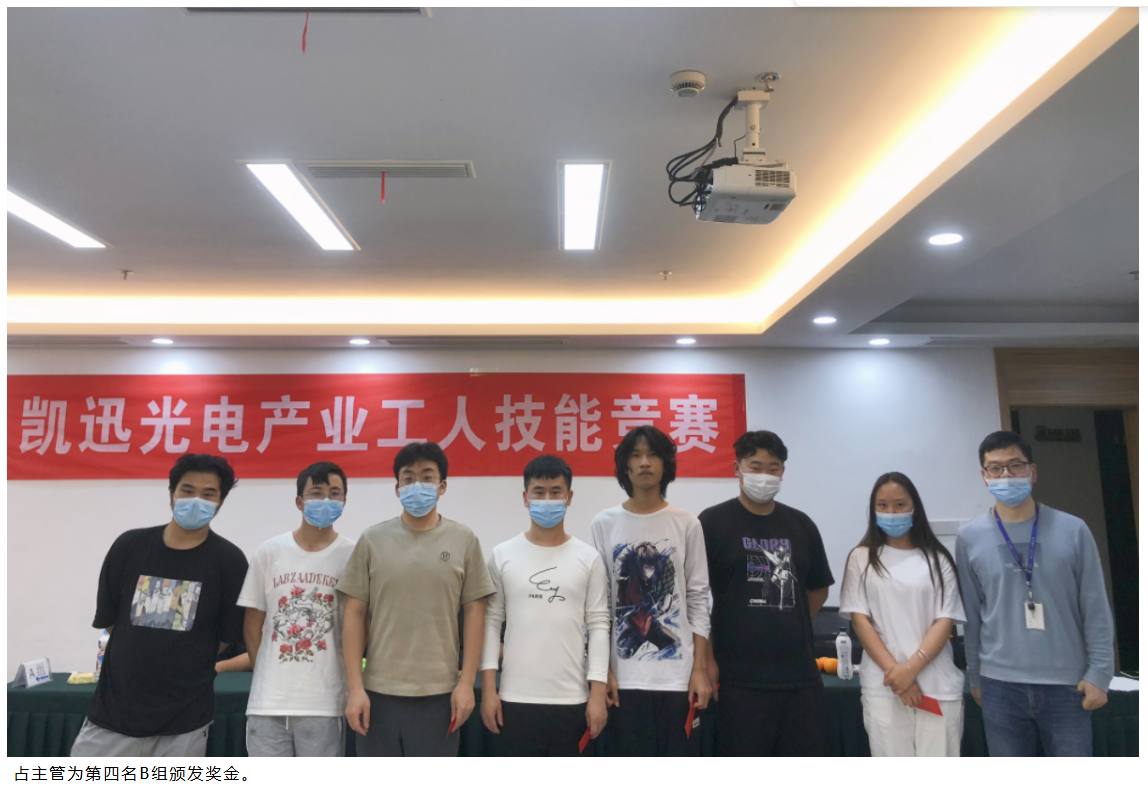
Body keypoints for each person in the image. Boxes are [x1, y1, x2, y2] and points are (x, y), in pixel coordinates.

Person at [71, 454, 248, 757]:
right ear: (171, 494)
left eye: (208, 494)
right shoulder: (129, 546)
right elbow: (112, 620)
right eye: (187, 490)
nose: (197, 500)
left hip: (185, 718)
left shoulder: (230, 561)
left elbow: (224, 637)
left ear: (220, 503)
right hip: (115, 712)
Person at [956, 430, 1114, 757]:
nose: (1006, 475)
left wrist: (1100, 673)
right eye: (996, 468)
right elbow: (971, 615)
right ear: (984, 477)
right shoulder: (969, 537)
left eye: (1016, 465)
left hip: (1067, 684)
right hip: (999, 685)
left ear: (1033, 471)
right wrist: (975, 677)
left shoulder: (1073, 530)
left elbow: (1095, 606)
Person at [338, 442, 495, 756]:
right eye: (408, 478)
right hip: (378, 694)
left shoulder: (464, 539)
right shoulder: (372, 540)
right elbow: (354, 614)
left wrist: (467, 683)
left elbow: (475, 613)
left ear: (442, 486)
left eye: (427, 477)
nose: (417, 485)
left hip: (440, 695)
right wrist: (355, 688)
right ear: (397, 488)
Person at [698, 430, 834, 756]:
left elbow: (819, 588)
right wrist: (705, 661)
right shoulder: (711, 523)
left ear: (782, 472)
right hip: (737, 679)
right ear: (737, 469)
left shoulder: (801, 524)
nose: (764, 476)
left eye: (773, 468)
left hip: (799, 676)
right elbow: (696, 597)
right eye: (755, 467)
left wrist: (786, 618)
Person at [590, 425, 711, 756]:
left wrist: (699, 671)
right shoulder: (604, 523)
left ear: (666, 464)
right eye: (636, 455)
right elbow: (598, 606)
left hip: (678, 681)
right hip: (623, 681)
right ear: (625, 466)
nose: (645, 462)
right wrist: (602, 673)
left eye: (653, 454)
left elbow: (699, 599)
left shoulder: (687, 523)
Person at [480, 455, 611, 756]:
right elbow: (491, 623)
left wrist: (597, 692)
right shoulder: (502, 555)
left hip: (572, 700)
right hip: (514, 698)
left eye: (555, 492)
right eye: (539, 492)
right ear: (525, 498)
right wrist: (488, 690)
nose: (547, 500)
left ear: (569, 497)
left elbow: (598, 626)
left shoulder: (588, 558)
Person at [839, 472, 966, 756]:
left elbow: (944, 620)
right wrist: (898, 676)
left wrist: (910, 670)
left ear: (914, 508)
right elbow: (860, 620)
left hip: (938, 686)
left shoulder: (938, 558)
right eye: (882, 505)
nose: (891, 512)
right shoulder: (861, 557)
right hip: (885, 686)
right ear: (873, 510)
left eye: (899, 505)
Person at [237, 462, 357, 757]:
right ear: (299, 501)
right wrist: (266, 674)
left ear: (344, 501)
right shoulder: (270, 552)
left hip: (325, 703)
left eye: (335, 493)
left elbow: (358, 626)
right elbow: (252, 626)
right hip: (268, 704)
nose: (326, 500)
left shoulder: (353, 555)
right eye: (316, 493)